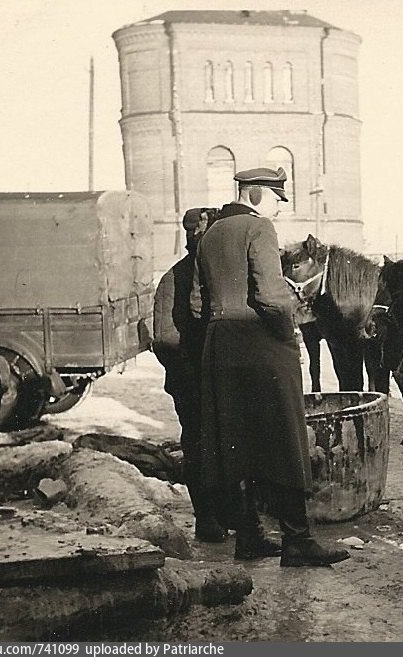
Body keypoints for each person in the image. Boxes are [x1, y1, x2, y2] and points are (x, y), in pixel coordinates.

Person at [190, 166, 350, 566]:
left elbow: (196, 303)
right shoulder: (258, 229)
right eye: (277, 200)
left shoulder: (208, 235)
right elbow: (271, 296)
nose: (279, 210)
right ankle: (297, 540)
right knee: (285, 438)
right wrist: (287, 332)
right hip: (261, 344)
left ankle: (249, 536)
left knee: (235, 442)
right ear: (257, 194)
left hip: (219, 346)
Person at [153, 207, 225, 542]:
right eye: (200, 235)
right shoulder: (174, 279)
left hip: (220, 379)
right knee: (198, 445)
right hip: (191, 379)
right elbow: (165, 338)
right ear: (191, 237)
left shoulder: (223, 275)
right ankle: (207, 516)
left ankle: (232, 511)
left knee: (227, 445)